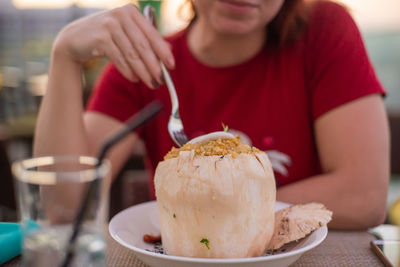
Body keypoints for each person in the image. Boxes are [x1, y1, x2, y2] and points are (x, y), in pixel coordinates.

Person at [34, 0, 390, 230]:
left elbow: (364, 197)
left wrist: (215, 215)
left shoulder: (323, 31)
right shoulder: (143, 65)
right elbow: (65, 205)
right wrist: (65, 56)